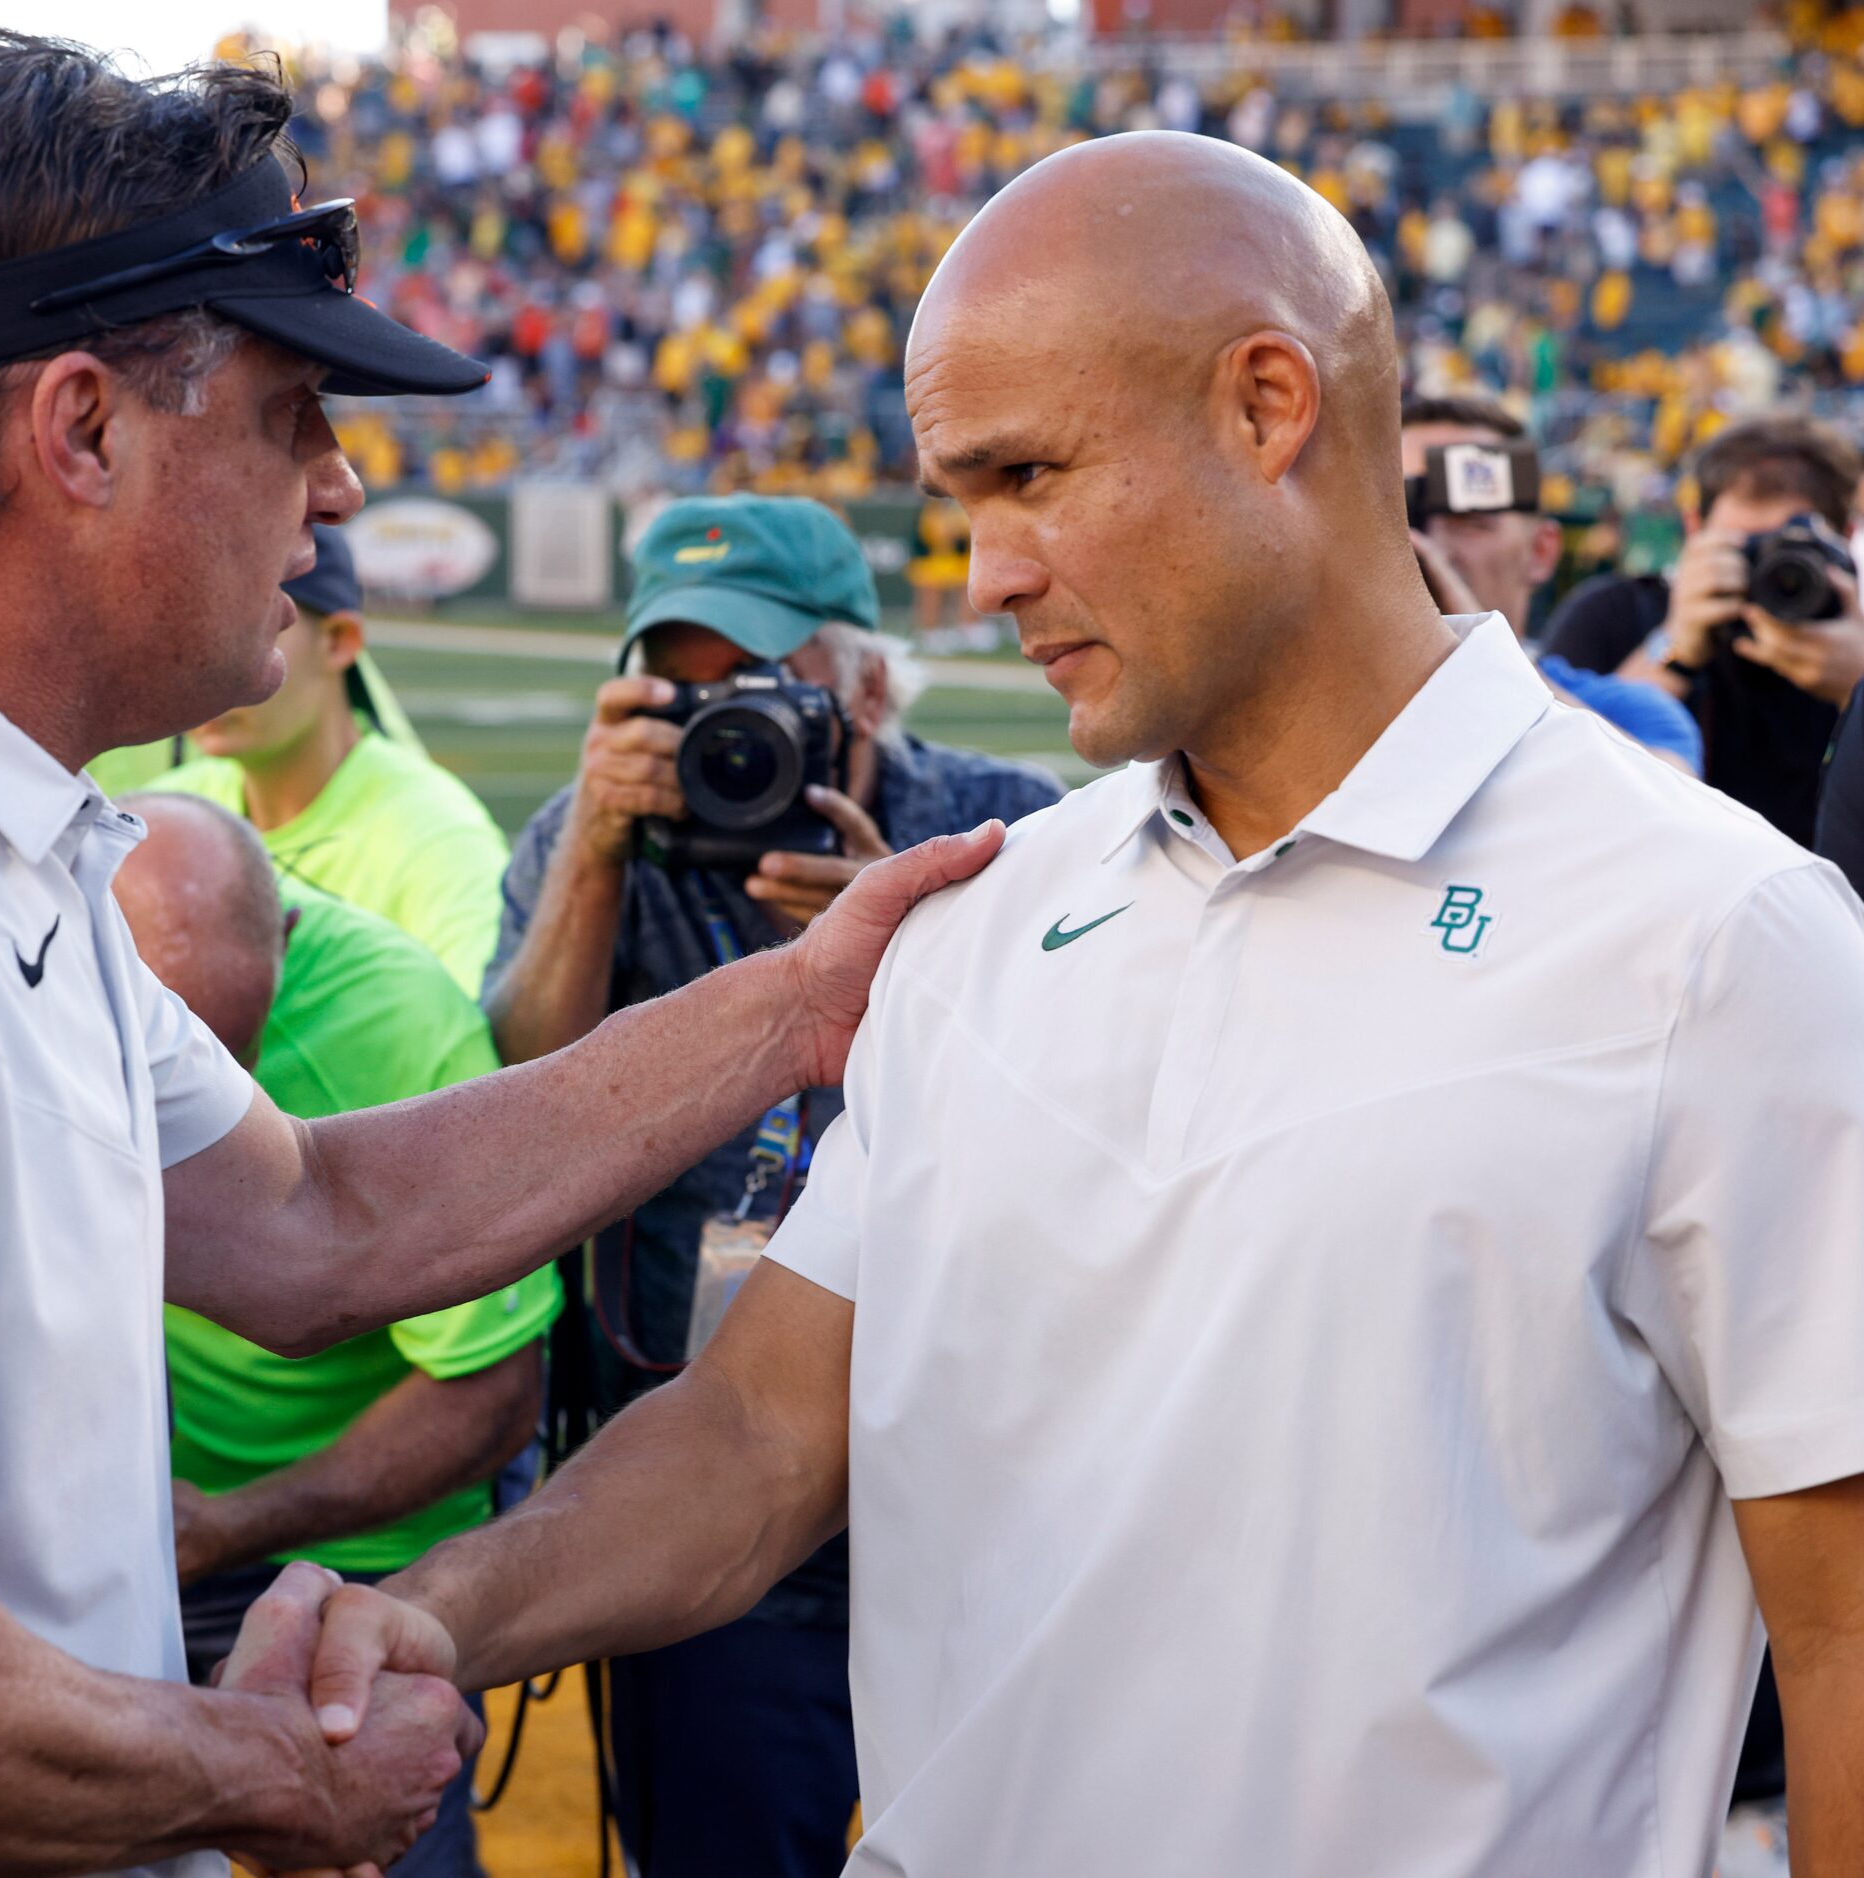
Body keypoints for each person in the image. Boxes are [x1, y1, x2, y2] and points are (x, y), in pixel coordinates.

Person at [0, 33, 1001, 1876]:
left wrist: (794, 1001)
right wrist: (275, 1772)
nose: (343, 485)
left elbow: (320, 1227)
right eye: (294, 410)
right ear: (81, 429)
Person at [304, 132, 1864, 1878]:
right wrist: (431, 1614)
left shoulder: (1712, 938)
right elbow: (754, 1435)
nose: (982, 575)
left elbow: (1840, 1632)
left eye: (1027, 475)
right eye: (959, 503)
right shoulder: (985, 919)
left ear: (1265, 403)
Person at [481, 491, 1062, 1878]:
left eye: (751, 676)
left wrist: (921, 950)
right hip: (705, 1489)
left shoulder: (996, 829)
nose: (711, 717)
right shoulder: (595, 838)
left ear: (862, 675)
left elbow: (1076, 1122)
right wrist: (592, 862)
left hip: (964, 1483)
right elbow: (518, 1091)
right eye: (671, 684)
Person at [112, 793, 556, 1878]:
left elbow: (489, 1394)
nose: (186, 1104)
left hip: (352, 1557)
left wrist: (227, 1525)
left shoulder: (401, 1029)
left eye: (220, 1058)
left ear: (290, 942)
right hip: (132, 1530)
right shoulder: (0, 967)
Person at [151, 524, 507, 995]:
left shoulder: (440, 840)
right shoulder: (161, 815)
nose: (198, 663)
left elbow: (475, 1046)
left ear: (338, 640)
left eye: (241, 624)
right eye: (181, 627)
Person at [1543, 415, 1864, 841]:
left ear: (1844, 537)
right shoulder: (1612, 615)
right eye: (1748, 548)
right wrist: (1672, 652)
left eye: (1795, 547)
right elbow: (1554, 785)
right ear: (1695, 527)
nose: (1773, 572)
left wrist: (1857, 690)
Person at [1401, 393, 1700, 770]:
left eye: (1471, 523)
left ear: (1540, 552)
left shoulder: (1628, 713)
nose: (1431, 547)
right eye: (1403, 516)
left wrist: (1483, 654)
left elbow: (1672, 798)